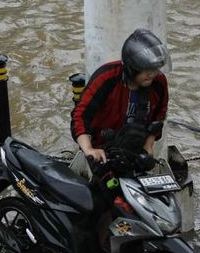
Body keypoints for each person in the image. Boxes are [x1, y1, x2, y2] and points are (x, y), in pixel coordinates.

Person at [69, 28, 170, 181]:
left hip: (134, 147)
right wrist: (89, 149)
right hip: (102, 148)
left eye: (155, 69)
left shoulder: (158, 83)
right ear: (132, 67)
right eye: (146, 70)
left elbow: (159, 116)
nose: (152, 74)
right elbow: (80, 116)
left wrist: (149, 145)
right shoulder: (106, 78)